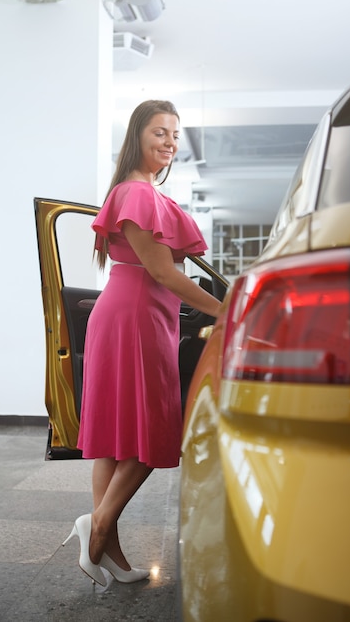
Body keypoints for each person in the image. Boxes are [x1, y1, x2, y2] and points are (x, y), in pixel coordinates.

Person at [62, 100, 222, 587]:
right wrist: (227, 308)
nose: (170, 142)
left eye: (175, 134)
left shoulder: (140, 193)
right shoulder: (136, 193)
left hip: (135, 313)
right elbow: (161, 271)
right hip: (135, 316)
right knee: (153, 426)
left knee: (115, 433)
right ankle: (99, 524)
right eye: (160, 132)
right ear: (138, 135)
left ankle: (104, 544)